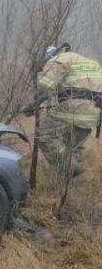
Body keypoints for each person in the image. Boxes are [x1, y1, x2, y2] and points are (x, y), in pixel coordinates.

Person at [24, 43, 102, 179]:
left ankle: (72, 170)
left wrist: (33, 105)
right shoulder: (88, 62)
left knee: (43, 135)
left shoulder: (57, 60)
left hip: (74, 110)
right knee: (71, 145)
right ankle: (72, 183)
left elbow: (45, 86)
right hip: (93, 114)